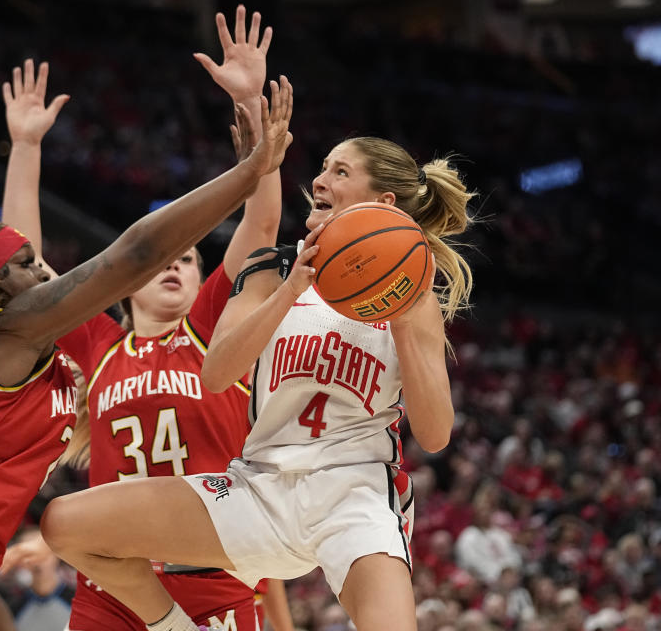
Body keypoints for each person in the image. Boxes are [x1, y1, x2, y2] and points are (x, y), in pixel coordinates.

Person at [0, 72, 294, 631]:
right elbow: (136, 252)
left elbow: (256, 232)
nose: (46, 270)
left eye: (190, 261)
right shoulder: (16, 332)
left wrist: (27, 145)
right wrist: (247, 172)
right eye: (30, 265)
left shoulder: (38, 350)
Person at [41, 135, 475, 631]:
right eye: (323, 168)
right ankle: (174, 628)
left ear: (383, 204)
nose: (318, 179)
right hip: (259, 487)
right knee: (65, 525)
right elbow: (217, 372)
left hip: (354, 494)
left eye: (339, 172)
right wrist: (294, 288)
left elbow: (436, 434)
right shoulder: (272, 268)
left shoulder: (412, 290)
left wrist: (397, 311)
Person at [0, 7, 294, 631]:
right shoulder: (99, 343)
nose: (175, 264)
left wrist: (247, 104)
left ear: (200, 280)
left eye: (189, 259)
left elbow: (261, 227)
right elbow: (21, 267)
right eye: (166, 255)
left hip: (213, 579)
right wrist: (25, 147)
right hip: (117, 585)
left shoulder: (214, 325)